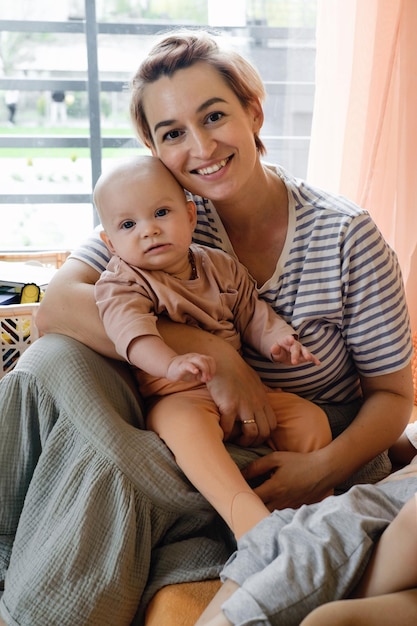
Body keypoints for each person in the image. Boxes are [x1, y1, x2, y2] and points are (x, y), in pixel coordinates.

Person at [0, 29, 413, 625]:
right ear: (154, 150)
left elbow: (394, 396)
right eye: (172, 133)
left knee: (103, 459)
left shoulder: (343, 236)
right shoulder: (155, 214)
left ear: (253, 110)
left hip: (295, 443)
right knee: (54, 362)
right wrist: (213, 357)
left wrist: (321, 469)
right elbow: (56, 308)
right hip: (188, 425)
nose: (200, 146)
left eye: (214, 115)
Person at [94, 155, 331, 539]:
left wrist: (280, 341)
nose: (149, 230)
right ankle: (246, 520)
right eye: (128, 224)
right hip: (178, 395)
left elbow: (253, 313)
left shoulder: (220, 266)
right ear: (110, 242)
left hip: (245, 391)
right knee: (184, 429)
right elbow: (132, 335)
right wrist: (170, 365)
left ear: (190, 216)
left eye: (161, 213)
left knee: (310, 420)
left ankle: (312, 510)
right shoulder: (122, 282)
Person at [195, 457, 417, 626]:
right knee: (277, 529)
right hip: (381, 508)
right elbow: (395, 443)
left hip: (388, 505)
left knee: (335, 522)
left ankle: (236, 618)